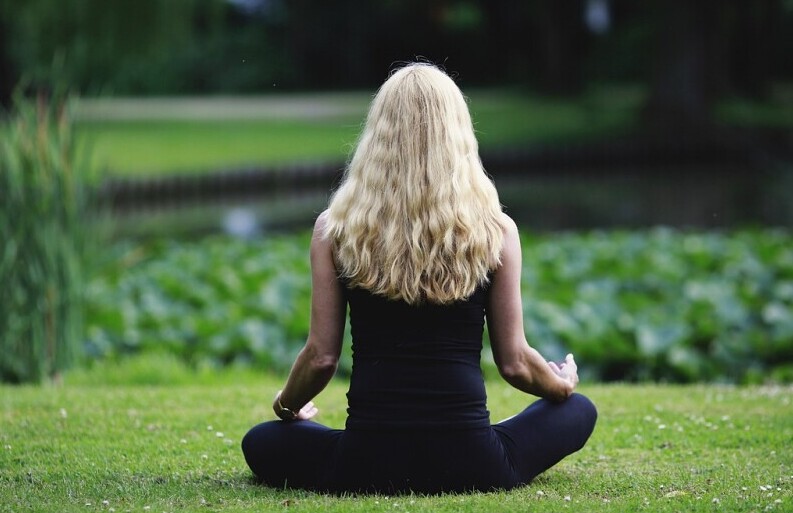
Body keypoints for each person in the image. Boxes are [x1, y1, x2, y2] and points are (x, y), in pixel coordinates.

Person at [241, 63, 597, 494]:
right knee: (578, 410)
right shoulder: (495, 230)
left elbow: (321, 358)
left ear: (377, 137)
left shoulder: (335, 230)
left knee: (260, 440)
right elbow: (515, 362)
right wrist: (558, 385)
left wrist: (286, 406)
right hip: (476, 463)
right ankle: (490, 431)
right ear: (458, 135)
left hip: (365, 463)